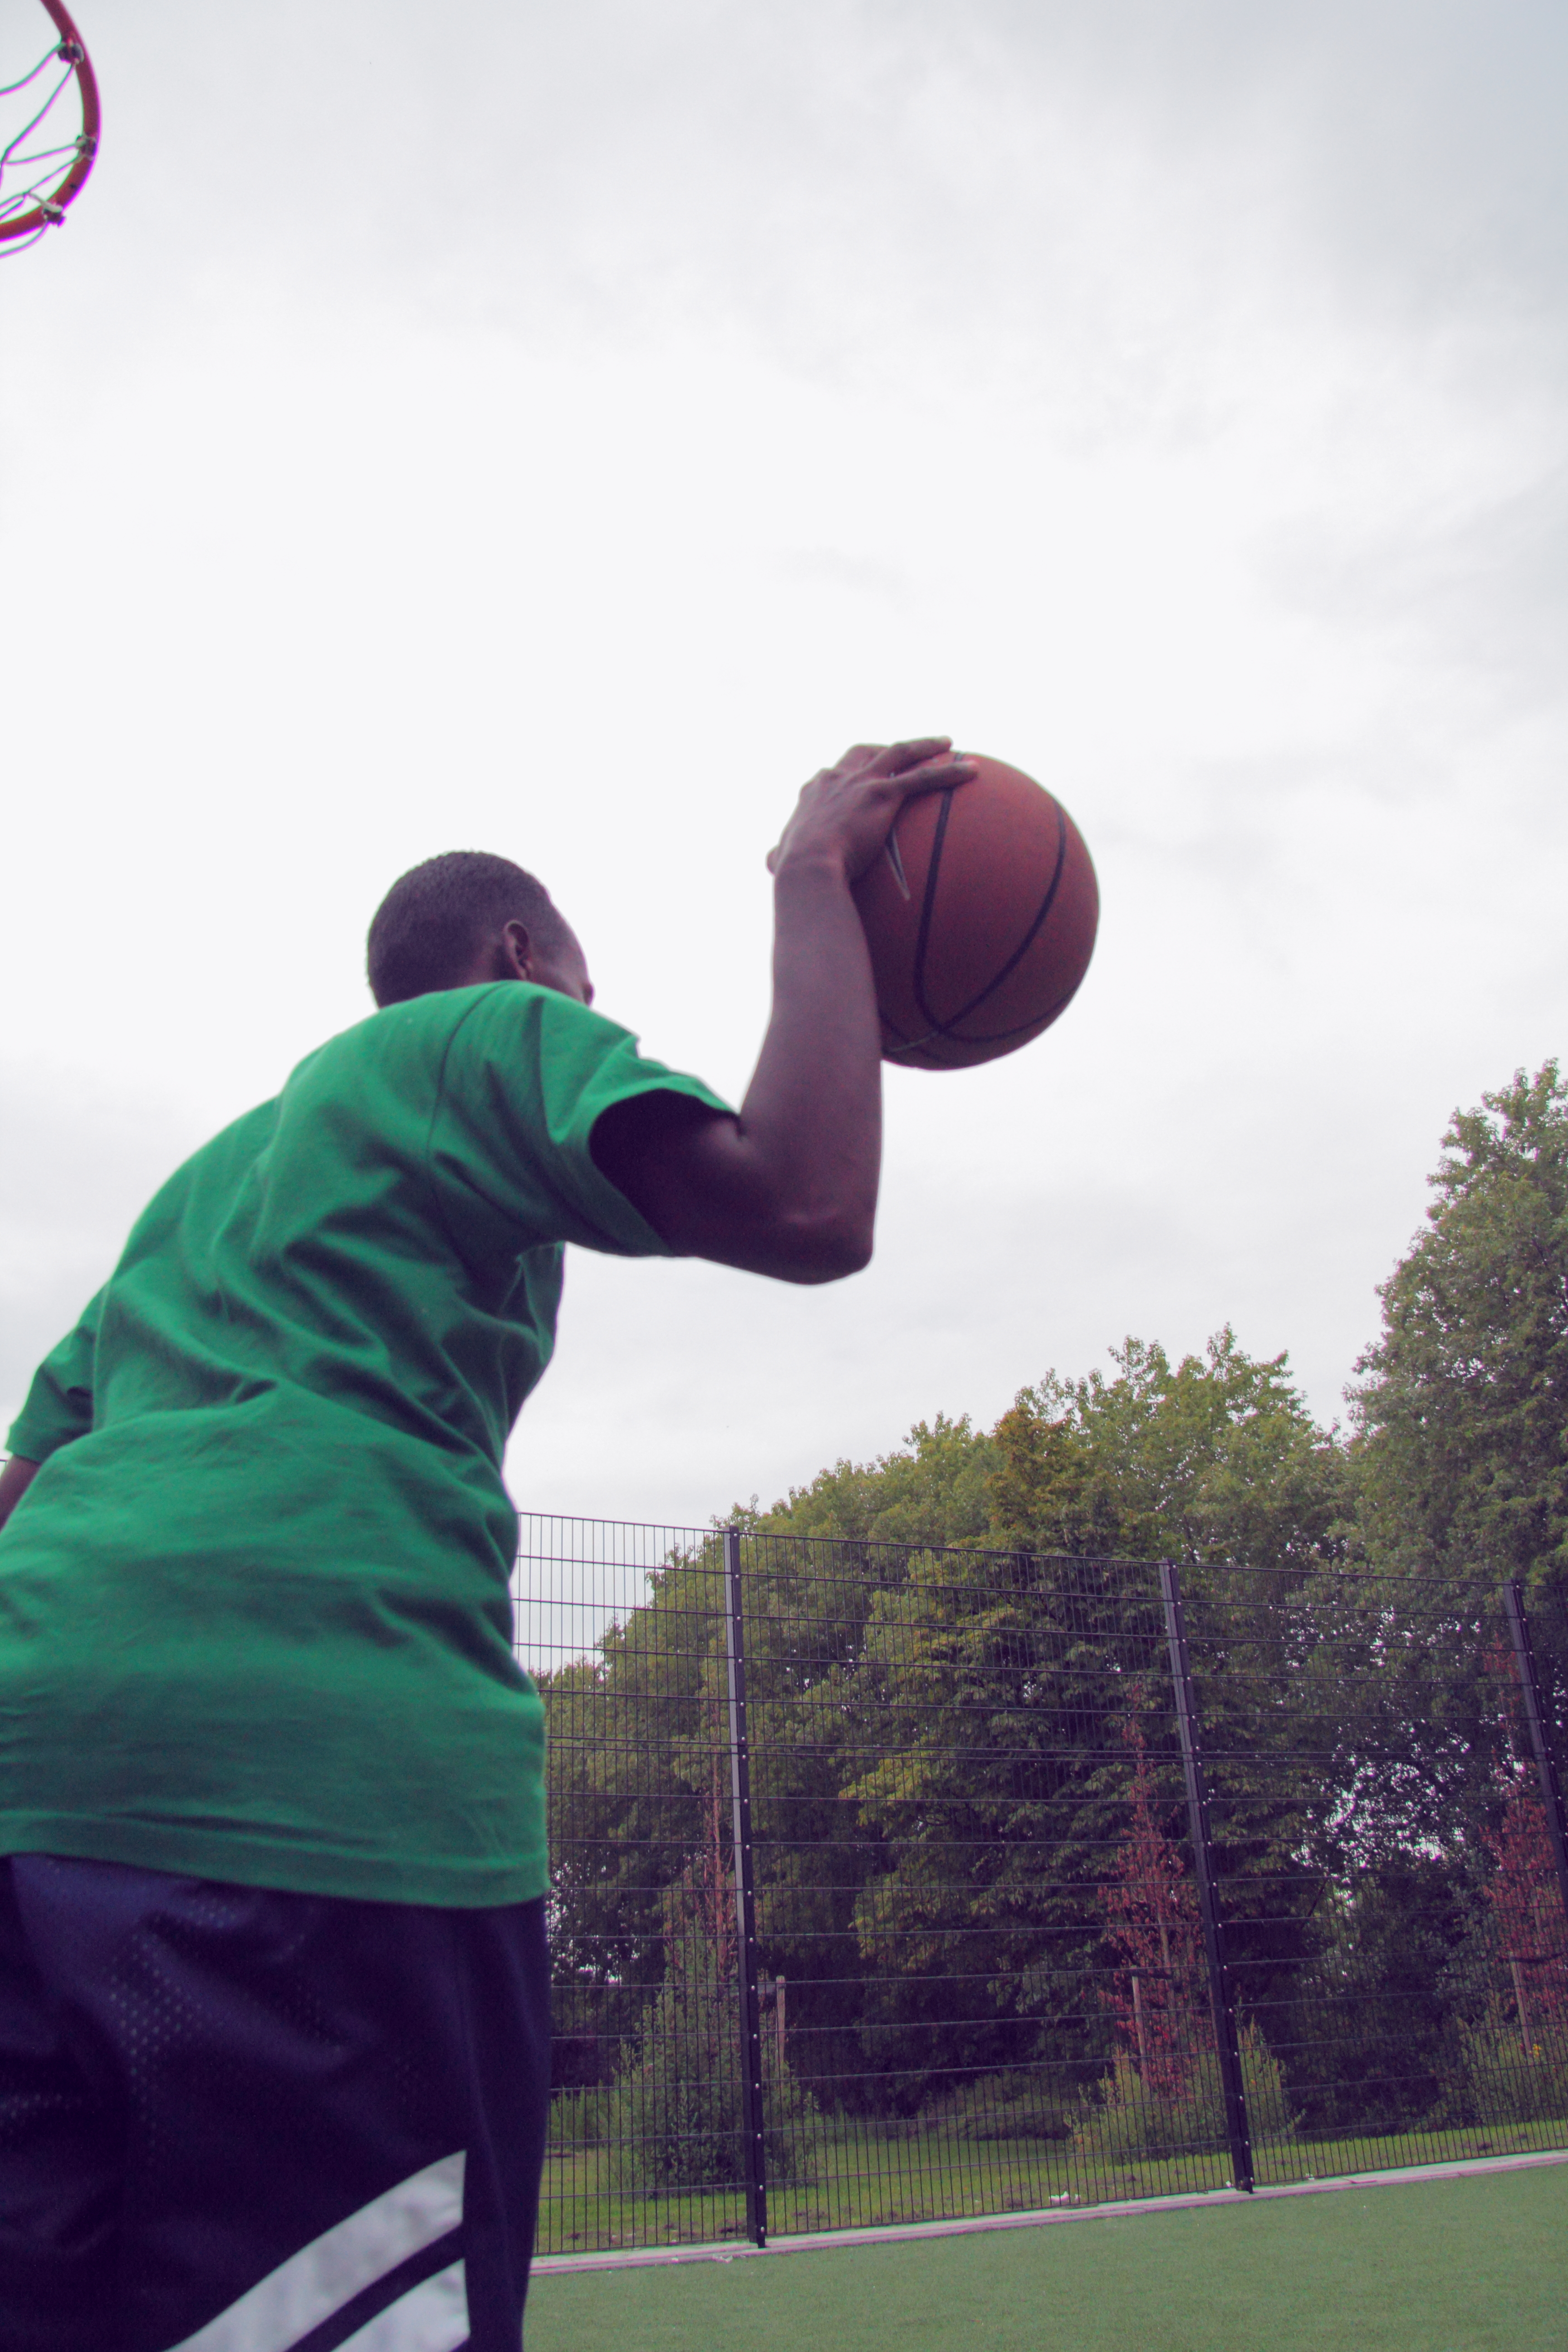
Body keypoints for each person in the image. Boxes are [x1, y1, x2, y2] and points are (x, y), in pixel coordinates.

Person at [0, 736, 975, 2352]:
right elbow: (811, 1204)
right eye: (587, 985)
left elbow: (24, 1494)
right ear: (518, 959)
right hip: (309, 1806)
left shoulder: (192, 1195)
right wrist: (814, 880)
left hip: (33, 1791)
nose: (598, 1024)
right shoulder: (489, 1037)